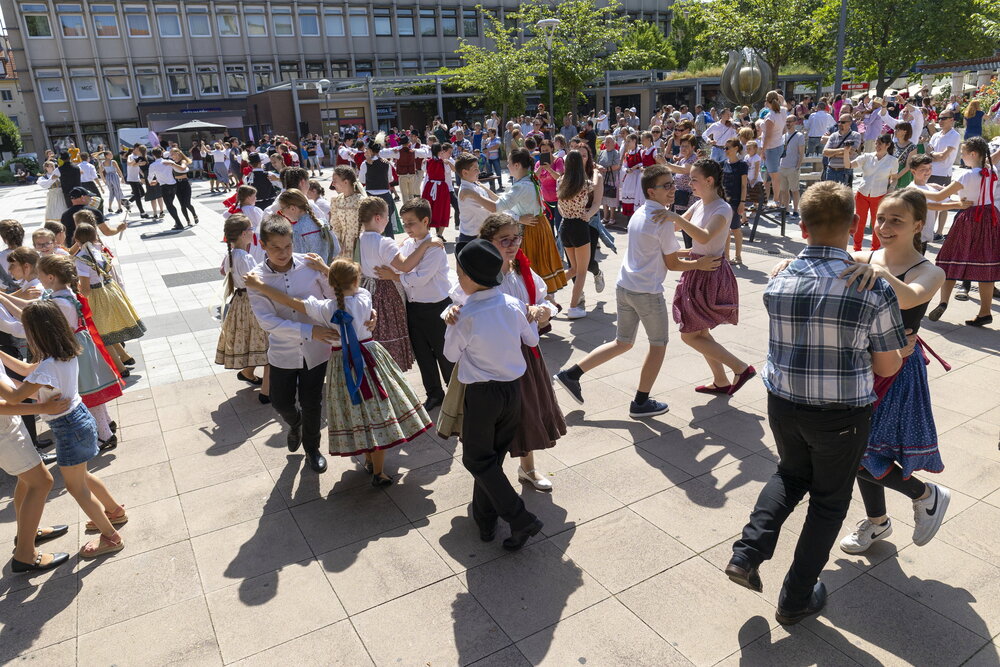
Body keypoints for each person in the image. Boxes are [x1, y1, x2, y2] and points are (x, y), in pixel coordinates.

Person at [727, 181, 905, 626]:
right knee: (829, 501)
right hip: (841, 414)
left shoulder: (780, 277)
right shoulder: (871, 289)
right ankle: (796, 597)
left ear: (801, 227)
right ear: (855, 224)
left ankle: (747, 554)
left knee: (789, 474)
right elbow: (887, 369)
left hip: (784, 402)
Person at [836, 189, 950, 554]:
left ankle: (925, 494)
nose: (883, 227)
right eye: (880, 218)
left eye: (895, 221)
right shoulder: (864, 256)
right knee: (862, 449)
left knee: (859, 451)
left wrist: (877, 269)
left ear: (919, 225)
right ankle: (878, 522)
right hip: (861, 366)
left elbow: (908, 298)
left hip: (898, 371)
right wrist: (787, 265)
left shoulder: (930, 270)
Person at [555, 165, 721, 417]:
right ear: (651, 191)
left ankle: (571, 374)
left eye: (673, 184)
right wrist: (699, 263)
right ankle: (641, 402)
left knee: (622, 342)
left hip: (625, 287)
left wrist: (690, 252)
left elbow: (656, 251)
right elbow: (672, 263)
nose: (672, 189)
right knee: (658, 345)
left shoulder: (641, 213)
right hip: (646, 293)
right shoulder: (663, 220)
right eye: (666, 186)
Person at [440, 214, 565, 490]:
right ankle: (488, 479)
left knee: (527, 411)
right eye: (504, 240)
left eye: (516, 238)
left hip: (524, 352)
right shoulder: (475, 275)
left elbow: (548, 301)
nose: (511, 245)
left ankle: (527, 469)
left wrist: (545, 310)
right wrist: (448, 312)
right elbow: (457, 304)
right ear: (487, 242)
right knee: (485, 424)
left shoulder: (523, 271)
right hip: (487, 356)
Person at [1, 300, 130, 560]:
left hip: (68, 427)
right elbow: (28, 371)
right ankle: (114, 511)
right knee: (81, 476)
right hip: (79, 418)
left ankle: (110, 537)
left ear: (37, 334)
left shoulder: (47, 367)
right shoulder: (63, 353)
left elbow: (15, 398)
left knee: (77, 488)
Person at [444, 239, 543, 550]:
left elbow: (449, 355)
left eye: (459, 273)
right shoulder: (512, 305)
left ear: (470, 278)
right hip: (512, 392)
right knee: (492, 458)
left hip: (483, 396)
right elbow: (531, 337)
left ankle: (520, 518)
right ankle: (485, 521)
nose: (458, 279)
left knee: (477, 459)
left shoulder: (466, 316)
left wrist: (451, 322)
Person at [247, 218, 336, 474]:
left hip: (316, 352)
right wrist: (310, 331)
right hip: (283, 353)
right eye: (276, 248)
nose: (283, 253)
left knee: (312, 402)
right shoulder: (256, 278)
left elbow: (333, 296)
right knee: (280, 402)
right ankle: (294, 422)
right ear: (262, 245)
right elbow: (267, 321)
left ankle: (312, 449)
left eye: (287, 246)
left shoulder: (310, 264)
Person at [666, 159, 755, 394]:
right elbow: (678, 230)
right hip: (698, 268)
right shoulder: (698, 205)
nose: (689, 182)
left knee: (689, 335)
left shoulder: (722, 208)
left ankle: (741, 367)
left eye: (694, 179)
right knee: (701, 332)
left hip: (709, 273)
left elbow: (704, 237)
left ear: (709, 180)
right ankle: (721, 381)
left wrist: (676, 219)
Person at [373, 198, 455, 411]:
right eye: (404, 223)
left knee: (444, 353)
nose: (407, 228)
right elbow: (402, 266)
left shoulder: (435, 247)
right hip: (414, 307)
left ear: (426, 221)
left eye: (411, 223)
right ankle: (434, 393)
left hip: (438, 307)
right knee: (423, 353)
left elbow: (418, 278)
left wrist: (395, 276)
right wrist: (399, 271)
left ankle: (456, 395)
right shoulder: (408, 244)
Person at [357, 196, 441, 370]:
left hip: (365, 290)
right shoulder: (383, 242)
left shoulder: (358, 239)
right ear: (378, 218)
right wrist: (425, 245)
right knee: (388, 336)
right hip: (385, 292)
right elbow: (405, 265)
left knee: (372, 337)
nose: (389, 220)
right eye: (388, 216)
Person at [925, 137, 1000, 326]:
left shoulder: (966, 176)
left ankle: (944, 301)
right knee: (986, 263)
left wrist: (920, 190)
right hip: (990, 218)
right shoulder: (992, 171)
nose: (962, 156)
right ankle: (985, 311)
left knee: (951, 257)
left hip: (970, 218)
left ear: (973, 154)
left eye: (964, 153)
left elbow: (940, 197)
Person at [215, 215, 270, 403]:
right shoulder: (244, 257)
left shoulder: (231, 255)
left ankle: (248, 372)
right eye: (251, 229)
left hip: (240, 302)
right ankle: (267, 392)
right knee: (266, 345)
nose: (253, 232)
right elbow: (256, 283)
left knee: (253, 340)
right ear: (244, 233)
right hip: (252, 301)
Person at [558, 151, 601, 319]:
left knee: (573, 268)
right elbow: (596, 184)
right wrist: (596, 170)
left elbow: (560, 205)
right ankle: (573, 307)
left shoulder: (560, 181)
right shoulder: (584, 183)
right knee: (581, 271)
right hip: (579, 226)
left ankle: (547, 290)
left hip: (565, 226)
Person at [851, 135, 898, 252]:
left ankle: (875, 249)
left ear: (888, 145)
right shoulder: (867, 156)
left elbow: (894, 178)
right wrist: (847, 152)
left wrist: (891, 189)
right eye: (876, 143)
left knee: (877, 223)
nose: (877, 146)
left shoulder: (893, 161)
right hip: (862, 193)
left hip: (880, 195)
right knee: (859, 222)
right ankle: (857, 248)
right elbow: (849, 165)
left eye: (880, 144)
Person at [266, 189, 339, 262]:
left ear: (292, 208)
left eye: (282, 210)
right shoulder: (323, 222)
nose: (282, 213)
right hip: (325, 269)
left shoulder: (296, 230)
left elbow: (298, 260)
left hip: (309, 272)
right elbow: (336, 250)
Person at [926, 111, 962, 240]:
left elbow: (943, 156)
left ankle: (939, 232)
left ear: (951, 120)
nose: (940, 120)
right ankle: (930, 230)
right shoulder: (936, 135)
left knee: (943, 204)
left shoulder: (954, 135)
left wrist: (933, 155)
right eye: (939, 118)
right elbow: (929, 151)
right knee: (930, 203)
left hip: (943, 174)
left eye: (944, 118)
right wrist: (935, 155)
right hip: (930, 171)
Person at [455, 154, 496, 252]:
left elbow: (495, 200)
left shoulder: (474, 185)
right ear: (465, 173)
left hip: (479, 236)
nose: (479, 171)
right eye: (475, 169)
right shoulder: (467, 193)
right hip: (471, 239)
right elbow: (493, 209)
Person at [720, 140, 748, 264]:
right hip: (724, 201)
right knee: (725, 230)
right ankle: (726, 256)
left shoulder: (742, 165)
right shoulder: (722, 164)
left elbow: (743, 186)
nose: (725, 150)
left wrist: (742, 202)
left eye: (727, 148)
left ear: (736, 148)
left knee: (735, 229)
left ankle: (738, 256)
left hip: (736, 201)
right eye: (724, 148)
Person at [329, 165, 365, 259]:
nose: (332, 184)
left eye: (335, 181)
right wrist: (337, 246)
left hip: (361, 247)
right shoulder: (336, 201)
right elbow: (336, 226)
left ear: (345, 182)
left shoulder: (362, 202)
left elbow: (367, 227)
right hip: (343, 249)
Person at [147, 147, 184, 230]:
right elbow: (177, 169)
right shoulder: (169, 162)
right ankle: (177, 222)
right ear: (161, 154)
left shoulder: (153, 165)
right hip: (173, 185)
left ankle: (179, 223)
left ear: (153, 155)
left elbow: (150, 177)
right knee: (171, 204)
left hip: (164, 186)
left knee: (169, 206)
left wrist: (150, 182)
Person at [777, 116, 806, 217]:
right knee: (784, 190)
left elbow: (801, 153)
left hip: (792, 167)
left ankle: (796, 211)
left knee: (795, 190)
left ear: (795, 122)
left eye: (790, 121)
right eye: (786, 121)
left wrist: (797, 166)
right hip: (782, 166)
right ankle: (786, 209)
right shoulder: (784, 135)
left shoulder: (799, 136)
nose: (788, 123)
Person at [169, 147, 198, 227]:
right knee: (182, 205)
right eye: (171, 154)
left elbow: (183, 168)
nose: (171, 155)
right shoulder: (173, 162)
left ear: (177, 153)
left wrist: (172, 164)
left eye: (172, 154)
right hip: (177, 184)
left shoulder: (182, 161)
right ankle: (188, 221)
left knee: (187, 203)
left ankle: (194, 215)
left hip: (185, 183)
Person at [125, 146, 150, 218]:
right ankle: (142, 213)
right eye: (137, 149)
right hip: (132, 179)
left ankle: (128, 202)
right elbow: (129, 163)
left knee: (142, 193)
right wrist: (136, 162)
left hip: (137, 178)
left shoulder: (139, 157)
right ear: (135, 149)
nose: (138, 150)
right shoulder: (130, 156)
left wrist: (144, 176)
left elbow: (138, 168)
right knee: (138, 196)